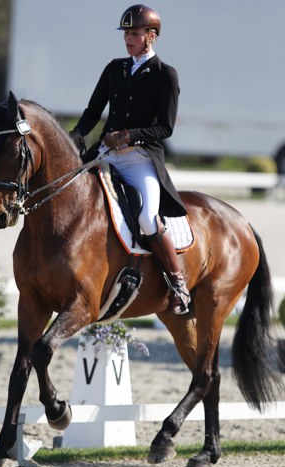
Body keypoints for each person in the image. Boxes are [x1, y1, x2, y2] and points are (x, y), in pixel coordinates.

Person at [70, 4, 190, 315]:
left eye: (134, 34)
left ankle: (178, 283)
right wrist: (77, 136)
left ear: (151, 36)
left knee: (148, 217)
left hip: (139, 159)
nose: (128, 39)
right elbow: (93, 112)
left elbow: (165, 127)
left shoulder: (166, 75)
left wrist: (128, 135)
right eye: (126, 34)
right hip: (105, 153)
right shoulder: (115, 69)